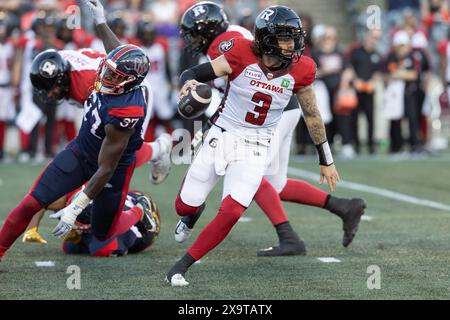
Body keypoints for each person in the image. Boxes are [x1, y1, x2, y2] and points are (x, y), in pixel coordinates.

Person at [166, 5, 341, 286]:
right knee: (184, 205)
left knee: (233, 210)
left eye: (295, 37)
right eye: (285, 38)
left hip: (257, 144)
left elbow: (312, 114)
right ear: (267, 39)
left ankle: (181, 266)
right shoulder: (239, 53)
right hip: (223, 134)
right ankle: (191, 214)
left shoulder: (303, 68)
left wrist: (326, 158)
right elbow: (193, 72)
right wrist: (188, 85)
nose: (293, 44)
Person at [0, 21, 152, 262]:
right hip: (80, 151)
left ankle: (138, 209)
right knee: (32, 201)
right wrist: (101, 21)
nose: (105, 74)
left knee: (103, 234)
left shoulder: (128, 109)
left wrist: (75, 207)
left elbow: (106, 168)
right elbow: (116, 51)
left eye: (114, 75)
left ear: (128, 82)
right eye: (108, 69)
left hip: (112, 170)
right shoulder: (110, 72)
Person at [61, 189, 160, 257]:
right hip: (131, 199)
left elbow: (105, 248)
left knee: (73, 247)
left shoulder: (102, 242)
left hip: (143, 227)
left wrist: (81, 240)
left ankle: (141, 210)